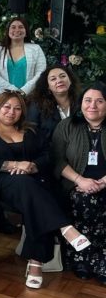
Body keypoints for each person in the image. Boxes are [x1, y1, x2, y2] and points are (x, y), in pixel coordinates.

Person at [0, 91, 90, 289]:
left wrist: (32, 165)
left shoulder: (31, 131)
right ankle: (64, 228)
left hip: (34, 182)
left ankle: (36, 262)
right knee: (30, 188)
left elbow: (48, 156)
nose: (11, 112)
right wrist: (14, 165)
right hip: (0, 185)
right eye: (7, 107)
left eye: (17, 108)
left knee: (38, 196)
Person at [52, 82, 106, 282]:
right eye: (88, 100)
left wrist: (103, 182)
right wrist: (80, 180)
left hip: (104, 183)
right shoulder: (67, 126)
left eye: (99, 101)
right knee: (84, 200)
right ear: (80, 103)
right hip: (74, 184)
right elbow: (57, 160)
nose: (93, 105)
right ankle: (83, 257)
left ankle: (98, 259)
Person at [0, 17, 47, 94]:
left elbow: (41, 72)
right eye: (13, 27)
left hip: (29, 96)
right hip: (3, 96)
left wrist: (24, 91)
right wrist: (13, 90)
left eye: (21, 27)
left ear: (26, 32)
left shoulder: (36, 48)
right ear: (8, 31)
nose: (17, 30)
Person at [27, 64, 80, 145]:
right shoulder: (37, 105)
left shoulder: (82, 102)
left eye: (62, 76)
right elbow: (30, 133)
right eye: (53, 79)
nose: (59, 80)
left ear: (70, 80)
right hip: (49, 153)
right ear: (48, 86)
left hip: (78, 150)